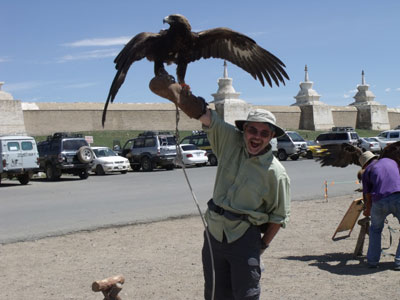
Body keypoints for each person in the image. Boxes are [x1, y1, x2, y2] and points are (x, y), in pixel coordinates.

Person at [149, 76, 291, 299]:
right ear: (244, 130)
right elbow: (208, 118)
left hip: (245, 237)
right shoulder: (230, 141)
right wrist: (180, 97)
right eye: (253, 130)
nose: (257, 137)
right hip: (214, 234)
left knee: (245, 295)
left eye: (265, 133)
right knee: (214, 293)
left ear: (271, 137)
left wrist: (261, 246)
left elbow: (279, 217)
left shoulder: (276, 173)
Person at [362, 155, 400, 270]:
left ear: (365, 163)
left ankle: (373, 261)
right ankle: (398, 262)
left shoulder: (367, 170)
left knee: (375, 230)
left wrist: (368, 210)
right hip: (398, 196)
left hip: (379, 200)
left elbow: (367, 195)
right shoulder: (392, 161)